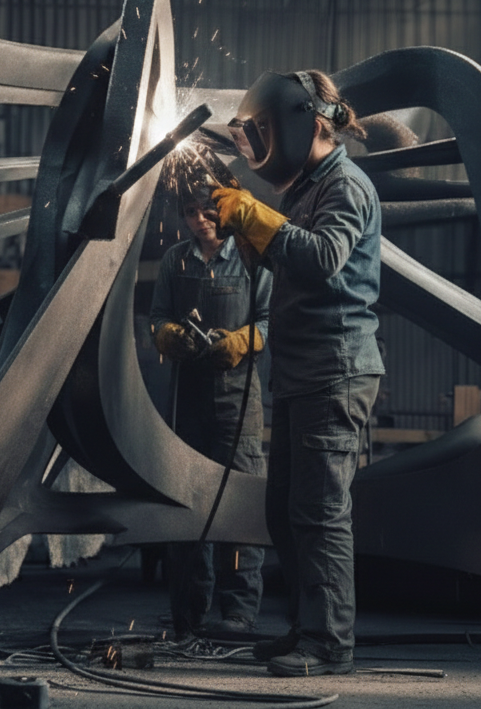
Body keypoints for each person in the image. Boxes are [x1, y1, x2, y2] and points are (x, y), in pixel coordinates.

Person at [213, 70, 384, 676]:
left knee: (320, 512)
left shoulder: (346, 186)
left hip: (334, 371)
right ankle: (305, 627)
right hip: (298, 372)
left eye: (264, 130)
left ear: (308, 124)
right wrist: (243, 221)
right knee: (287, 510)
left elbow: (324, 260)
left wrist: (255, 217)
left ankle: (330, 643)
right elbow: (286, 257)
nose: (260, 142)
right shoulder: (306, 188)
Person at [149, 187, 272, 639]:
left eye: (206, 211)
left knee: (237, 501)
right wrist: (166, 335)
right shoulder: (174, 261)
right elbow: (157, 315)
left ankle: (238, 612)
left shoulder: (251, 258)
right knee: (187, 502)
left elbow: (269, 321)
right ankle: (188, 615)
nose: (199, 220)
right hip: (188, 397)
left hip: (237, 397)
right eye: (189, 213)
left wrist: (242, 342)